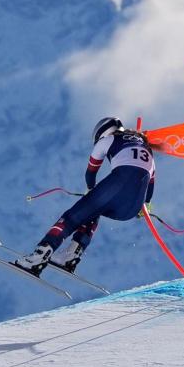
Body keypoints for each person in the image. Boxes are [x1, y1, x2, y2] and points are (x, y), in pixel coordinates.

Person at [14, 116, 156, 275]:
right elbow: (150, 185)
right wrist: (145, 207)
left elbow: (91, 172)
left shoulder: (108, 140)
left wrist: (90, 191)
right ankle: (71, 255)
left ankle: (38, 257)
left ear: (103, 132)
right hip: (131, 209)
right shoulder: (146, 148)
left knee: (71, 218)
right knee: (93, 211)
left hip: (117, 185)